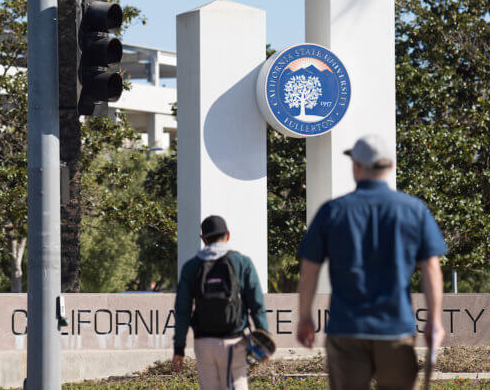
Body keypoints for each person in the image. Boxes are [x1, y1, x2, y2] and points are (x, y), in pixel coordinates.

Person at [296, 134, 448, 390]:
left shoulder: (332, 211)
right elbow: (431, 267)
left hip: (346, 329)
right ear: (392, 167)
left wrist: (305, 317)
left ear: (356, 165)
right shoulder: (414, 210)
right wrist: (434, 319)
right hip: (396, 328)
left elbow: (310, 270)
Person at [172, 215, 270, 389]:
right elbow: (257, 304)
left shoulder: (191, 267)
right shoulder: (242, 262)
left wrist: (179, 348)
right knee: (237, 384)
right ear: (228, 235)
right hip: (234, 340)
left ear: (203, 239)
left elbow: (182, 310)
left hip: (203, 342)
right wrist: (265, 341)